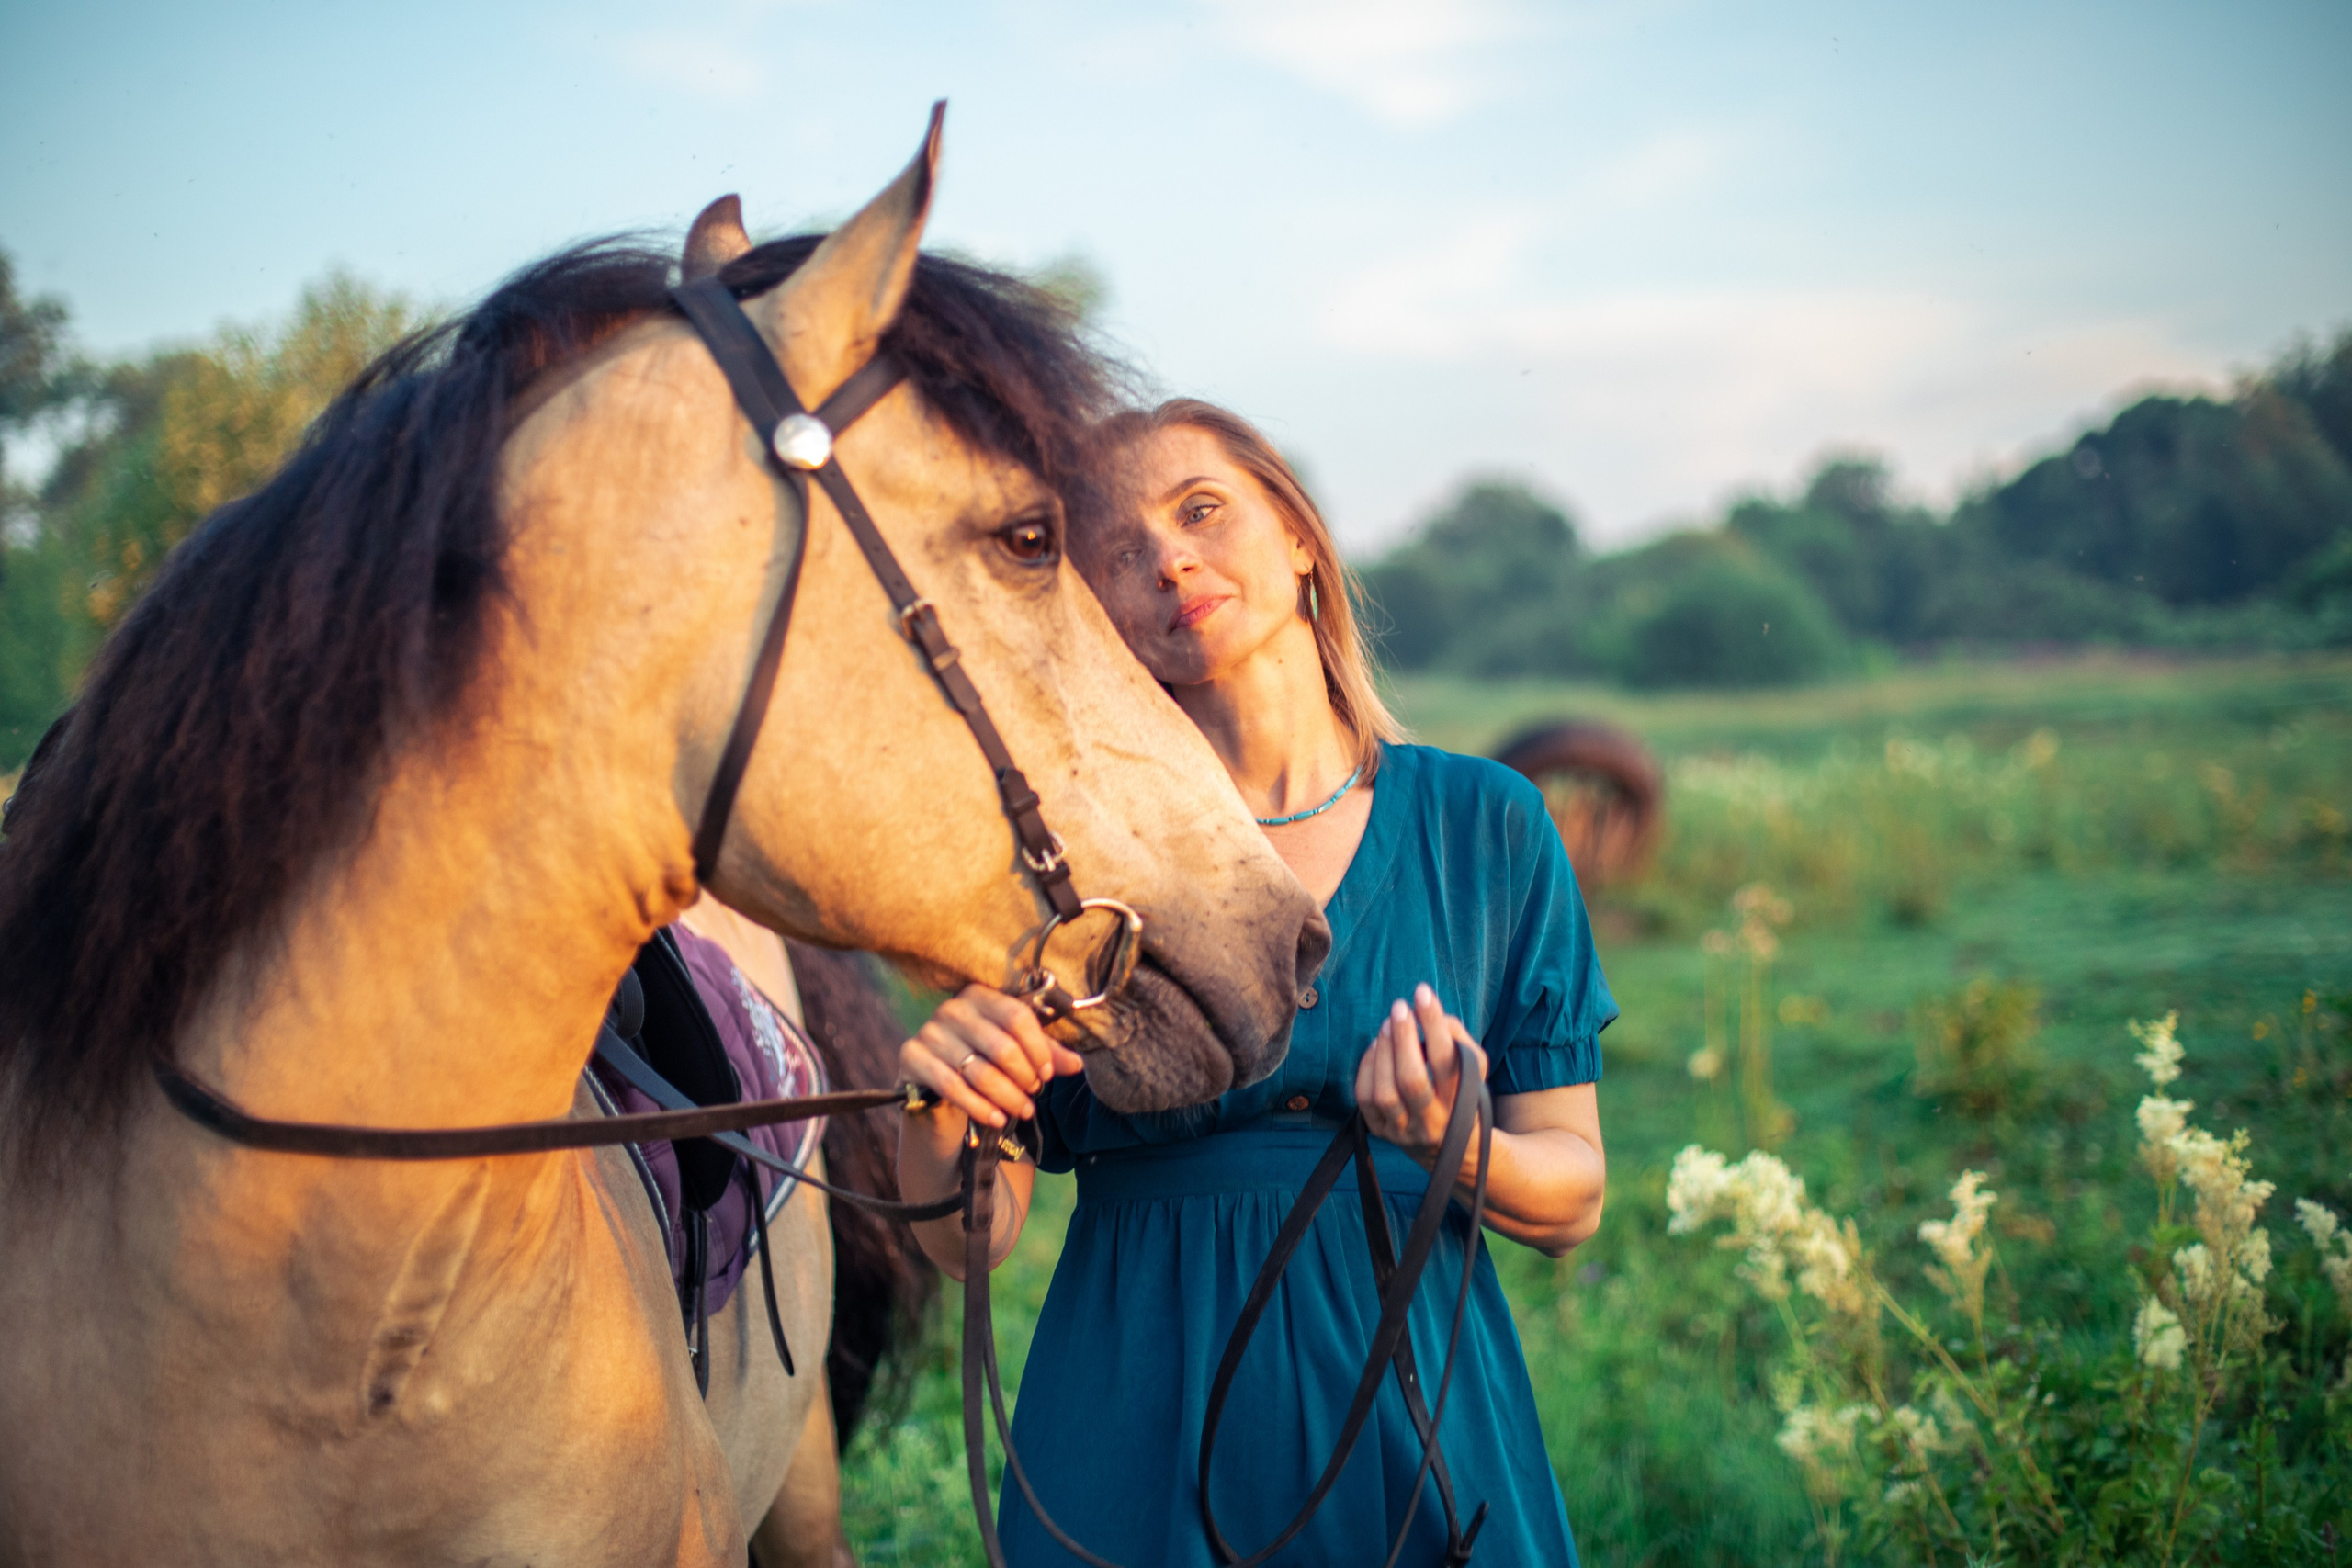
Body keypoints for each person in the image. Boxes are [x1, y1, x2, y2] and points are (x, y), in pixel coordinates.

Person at [894, 399, 1615, 1566]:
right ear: (1096, 621)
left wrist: (1451, 1142)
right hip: (1135, 1406)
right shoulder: (1061, 862)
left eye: (1199, 511)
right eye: (1116, 554)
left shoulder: (1487, 825)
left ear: (1296, 536)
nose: (1168, 559)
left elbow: (1572, 1196)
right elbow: (974, 1240)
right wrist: (946, 1105)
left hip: (1415, 1399)